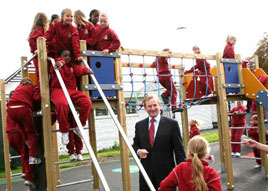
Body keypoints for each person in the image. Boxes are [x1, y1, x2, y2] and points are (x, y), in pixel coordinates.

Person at [132, 94, 186, 191]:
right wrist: (138, 151)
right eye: (149, 106)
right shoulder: (139, 126)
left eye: (155, 105)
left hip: (167, 176)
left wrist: (183, 173)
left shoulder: (172, 124)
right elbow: (135, 145)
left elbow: (179, 151)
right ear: (145, 108)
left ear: (159, 106)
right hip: (146, 176)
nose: (153, 108)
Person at [50, 48, 93, 145]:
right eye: (65, 56)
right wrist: (61, 62)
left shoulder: (72, 66)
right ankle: (64, 131)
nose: (68, 58)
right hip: (58, 89)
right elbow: (57, 63)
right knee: (62, 104)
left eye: (69, 56)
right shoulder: (56, 63)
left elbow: (80, 69)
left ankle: (80, 126)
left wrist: (87, 70)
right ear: (60, 57)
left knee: (87, 102)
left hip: (72, 90)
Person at [6, 77, 41, 166]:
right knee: (31, 133)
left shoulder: (18, 88)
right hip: (23, 108)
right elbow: (36, 98)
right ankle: (32, 157)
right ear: (29, 82)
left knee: (21, 126)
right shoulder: (31, 87)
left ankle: (27, 142)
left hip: (10, 110)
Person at [6, 91, 35, 188]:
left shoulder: (9, 107)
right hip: (17, 132)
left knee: (22, 154)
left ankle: (24, 171)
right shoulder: (19, 106)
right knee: (26, 154)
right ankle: (28, 177)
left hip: (10, 134)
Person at [28, 12, 49, 84]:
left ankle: (39, 88)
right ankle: (41, 89)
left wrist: (34, 50)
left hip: (37, 54)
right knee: (42, 74)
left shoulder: (34, 30)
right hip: (40, 55)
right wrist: (36, 49)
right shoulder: (41, 30)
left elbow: (31, 40)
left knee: (39, 74)